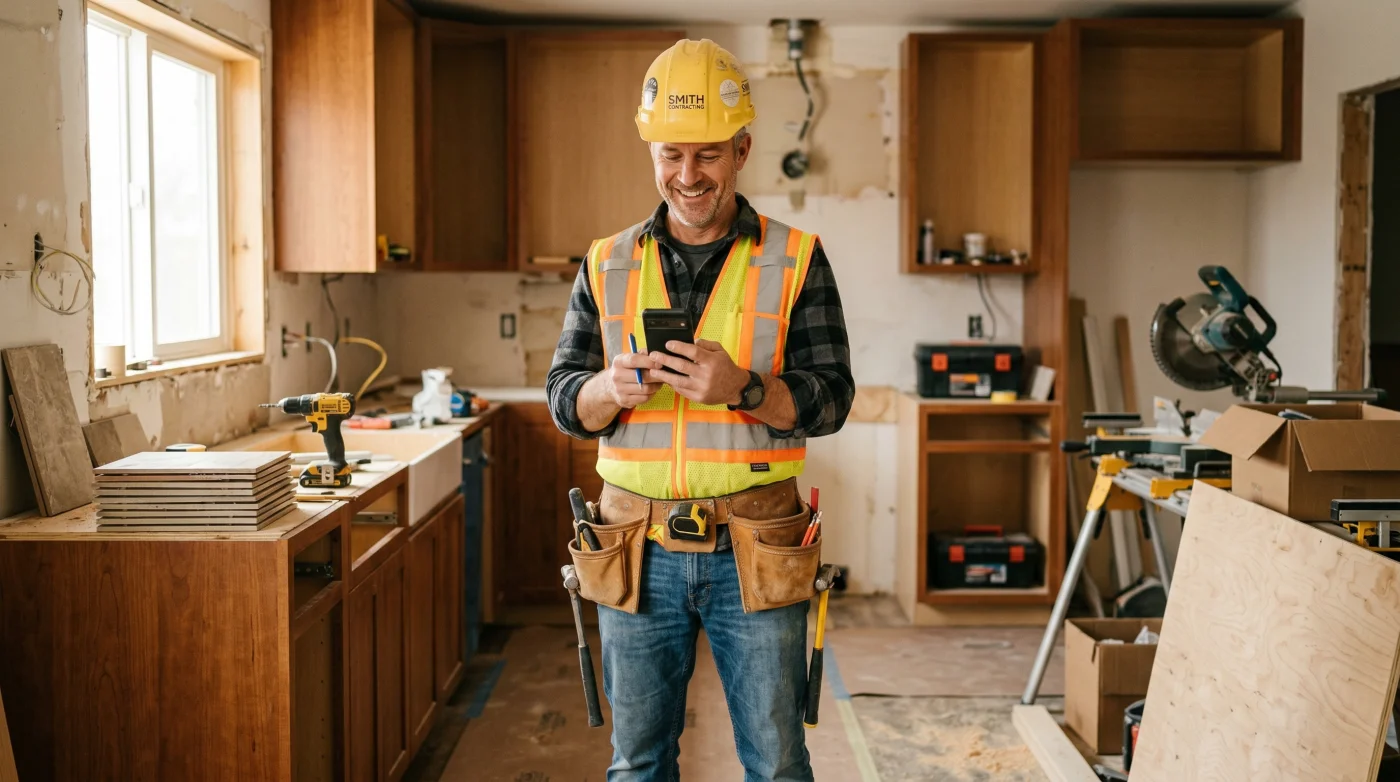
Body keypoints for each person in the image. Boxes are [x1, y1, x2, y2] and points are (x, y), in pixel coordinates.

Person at [546, 38, 854, 782]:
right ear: (651, 151)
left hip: (756, 541)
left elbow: (832, 397)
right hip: (633, 543)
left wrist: (746, 389)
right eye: (672, 155)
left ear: (743, 148)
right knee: (638, 762)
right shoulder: (607, 261)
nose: (689, 176)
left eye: (709, 155)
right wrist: (603, 392)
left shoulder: (796, 257)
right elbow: (564, 396)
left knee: (777, 762)